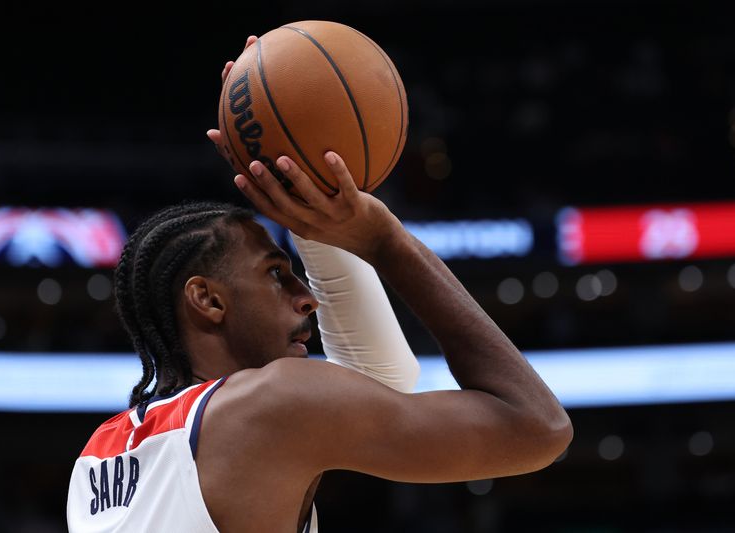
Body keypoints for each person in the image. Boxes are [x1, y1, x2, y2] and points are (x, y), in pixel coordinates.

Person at [66, 36, 572, 533]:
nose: (306, 298)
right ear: (208, 300)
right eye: (275, 274)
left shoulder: (96, 459)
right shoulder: (275, 405)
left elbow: (379, 382)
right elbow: (537, 428)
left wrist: (309, 218)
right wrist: (384, 242)